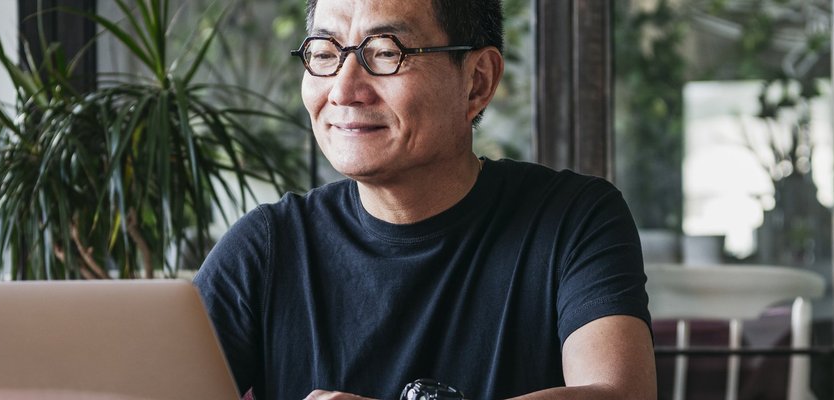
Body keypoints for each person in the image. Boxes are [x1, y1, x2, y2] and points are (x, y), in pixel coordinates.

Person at [193, 0, 656, 398]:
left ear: (477, 81)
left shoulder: (573, 218)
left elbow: (618, 394)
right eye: (325, 53)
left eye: (385, 52)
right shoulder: (268, 246)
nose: (344, 91)